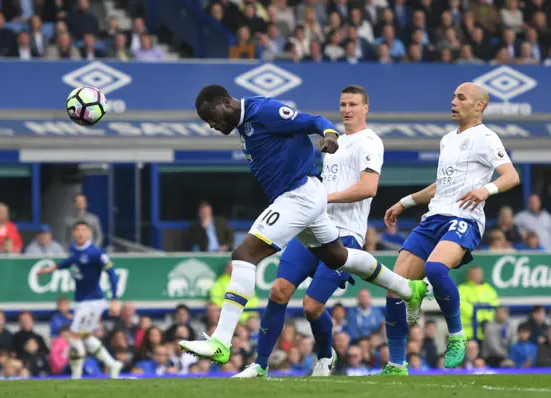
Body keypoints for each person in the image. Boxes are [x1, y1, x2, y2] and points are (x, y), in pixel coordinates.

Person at [179, 85, 427, 365]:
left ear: (226, 102)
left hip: (299, 195)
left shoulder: (264, 111)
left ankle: (221, 341)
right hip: (306, 198)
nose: (212, 124)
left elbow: (314, 120)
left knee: (244, 255)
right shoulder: (246, 123)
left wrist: (330, 135)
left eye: (211, 116)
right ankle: (408, 289)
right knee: (339, 257)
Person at [233, 85, 384, 377]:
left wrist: (322, 198)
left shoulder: (369, 142)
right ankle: (260, 365)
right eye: (343, 104)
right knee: (278, 290)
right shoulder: (332, 144)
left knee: (312, 307)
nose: (347, 110)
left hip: (346, 234)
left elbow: (369, 188)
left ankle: (325, 357)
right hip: (313, 226)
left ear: (366, 108)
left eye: (353, 104)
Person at [378, 82, 520, 375]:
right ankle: (395, 364)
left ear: (478, 106)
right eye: (453, 96)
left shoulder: (486, 138)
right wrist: (405, 202)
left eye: (461, 97)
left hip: (464, 219)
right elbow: (441, 186)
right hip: (433, 218)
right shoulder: (447, 140)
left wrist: (487, 189)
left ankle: (457, 335)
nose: (453, 101)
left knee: (436, 269)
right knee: (393, 288)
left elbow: (512, 175)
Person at [36, 221, 122, 379]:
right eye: (77, 230)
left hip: (93, 302)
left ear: (89, 233)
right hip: (82, 301)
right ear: (73, 233)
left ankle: (76, 374)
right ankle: (112, 364)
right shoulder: (74, 249)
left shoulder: (96, 253)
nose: (80, 233)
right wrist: (52, 268)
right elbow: (70, 261)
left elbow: (112, 273)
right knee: (86, 337)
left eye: (84, 230)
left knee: (74, 337)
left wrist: (115, 299)